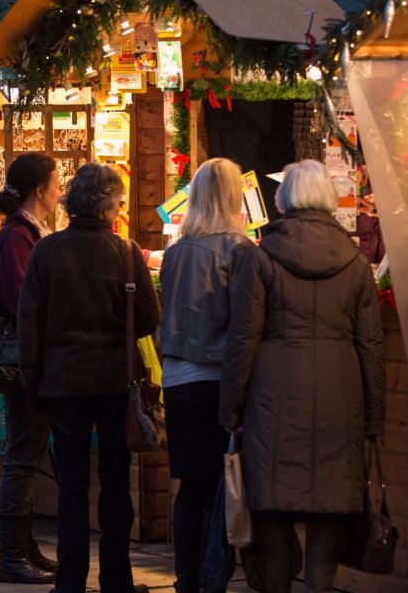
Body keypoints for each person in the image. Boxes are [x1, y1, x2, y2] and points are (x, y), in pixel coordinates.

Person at [219, 160, 385, 593]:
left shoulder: (260, 259)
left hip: (271, 400)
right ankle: (320, 586)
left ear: (284, 198)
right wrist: (375, 418)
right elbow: (371, 345)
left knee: (273, 507)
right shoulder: (355, 264)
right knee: (329, 507)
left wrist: (230, 406)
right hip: (339, 395)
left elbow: (243, 340)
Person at [19, 163, 160, 593]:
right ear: (106, 206)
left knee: (72, 485)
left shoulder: (46, 252)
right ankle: (117, 578)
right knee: (116, 486)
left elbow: (29, 327)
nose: (120, 208)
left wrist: (34, 384)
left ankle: (71, 579)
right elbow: (148, 319)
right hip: (114, 385)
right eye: (118, 201)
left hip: (62, 385)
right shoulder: (126, 253)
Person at [159, 158, 255, 593]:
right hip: (219, 380)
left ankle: (187, 577)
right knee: (224, 483)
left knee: (190, 486)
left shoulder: (176, 252)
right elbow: (244, 325)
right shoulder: (240, 250)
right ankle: (215, 573)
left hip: (177, 380)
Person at [0, 152, 61, 585]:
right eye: (55, 182)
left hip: (34, 357)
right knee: (22, 457)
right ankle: (12, 554)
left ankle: (25, 546)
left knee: (27, 455)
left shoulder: (29, 232)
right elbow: (20, 300)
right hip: (23, 360)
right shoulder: (18, 235)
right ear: (39, 189)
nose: (59, 190)